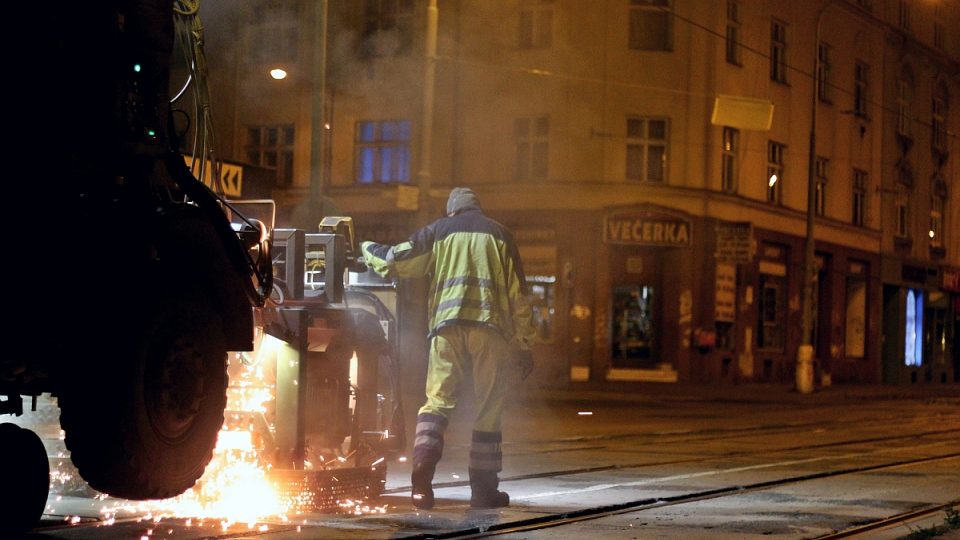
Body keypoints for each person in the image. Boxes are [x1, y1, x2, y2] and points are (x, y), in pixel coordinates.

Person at [361, 187, 535, 509]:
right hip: (490, 331)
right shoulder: (501, 235)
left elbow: (396, 260)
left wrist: (364, 247)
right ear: (477, 209)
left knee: (437, 403)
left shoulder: (439, 231)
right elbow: (519, 296)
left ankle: (421, 485)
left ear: (452, 210)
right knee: (488, 409)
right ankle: (483, 492)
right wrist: (524, 344)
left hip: (446, 331)